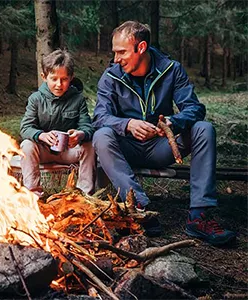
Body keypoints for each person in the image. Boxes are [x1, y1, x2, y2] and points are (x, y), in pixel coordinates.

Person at [92, 21, 236, 245]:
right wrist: (128, 124)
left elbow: (195, 109)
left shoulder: (171, 69)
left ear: (141, 48)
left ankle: (199, 217)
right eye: (115, 52)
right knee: (101, 136)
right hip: (125, 148)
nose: (116, 59)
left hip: (162, 147)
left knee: (204, 129)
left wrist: (172, 122)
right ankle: (140, 208)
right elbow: (100, 117)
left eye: (121, 52)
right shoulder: (111, 77)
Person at [20, 49, 96, 197]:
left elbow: (87, 127)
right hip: (44, 151)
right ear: (44, 77)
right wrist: (41, 136)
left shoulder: (78, 99)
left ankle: (84, 195)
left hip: (69, 150)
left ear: (71, 78)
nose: (59, 84)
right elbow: (25, 128)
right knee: (26, 146)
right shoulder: (36, 99)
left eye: (64, 79)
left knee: (89, 146)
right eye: (54, 79)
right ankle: (33, 195)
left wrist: (80, 134)